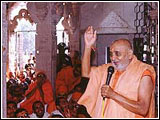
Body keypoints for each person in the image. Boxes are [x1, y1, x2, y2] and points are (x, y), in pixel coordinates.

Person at [78, 26, 156, 118]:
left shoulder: (143, 72)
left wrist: (113, 95)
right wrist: (87, 46)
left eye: (117, 54)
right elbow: (86, 73)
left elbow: (143, 109)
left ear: (130, 54)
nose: (113, 58)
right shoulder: (107, 69)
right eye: (111, 54)